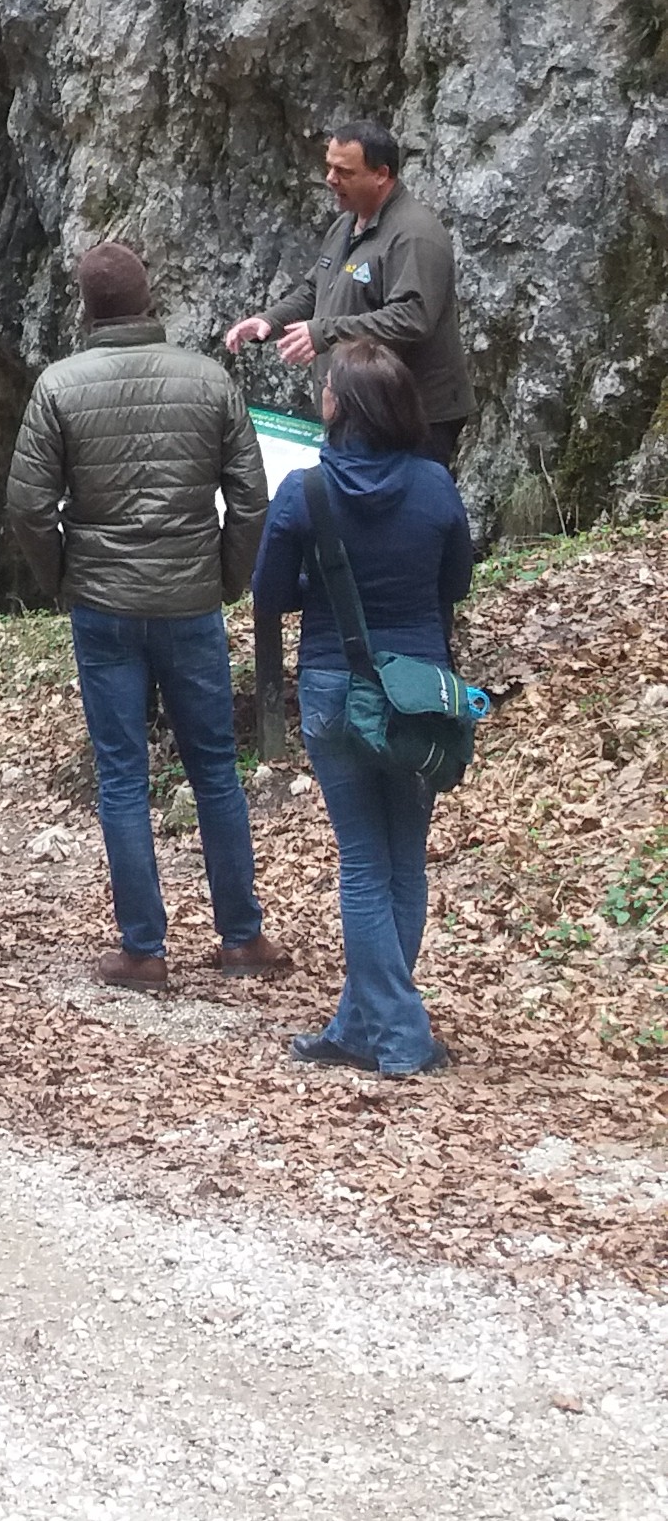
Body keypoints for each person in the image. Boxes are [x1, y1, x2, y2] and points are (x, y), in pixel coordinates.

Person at [7, 241, 285, 992]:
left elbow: (28, 506)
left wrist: (64, 576)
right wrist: (225, 577)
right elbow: (252, 498)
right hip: (190, 600)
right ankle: (241, 937)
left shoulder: (59, 386)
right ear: (149, 299)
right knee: (215, 770)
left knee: (123, 775)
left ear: (86, 309)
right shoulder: (209, 379)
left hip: (103, 604)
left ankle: (143, 948)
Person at [251, 335, 473, 1077]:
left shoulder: (305, 492)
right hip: (419, 693)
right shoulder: (435, 484)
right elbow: (456, 582)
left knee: (363, 864)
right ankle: (360, 1025)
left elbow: (269, 594)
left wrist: (325, 581)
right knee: (405, 860)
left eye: (327, 387)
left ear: (341, 407)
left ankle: (397, 1036)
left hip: (334, 685)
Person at [226, 119, 472, 468]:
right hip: (359, 411)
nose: (330, 179)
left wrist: (323, 332)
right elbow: (316, 288)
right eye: (329, 167)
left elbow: (413, 318)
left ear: (381, 174)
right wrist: (270, 321)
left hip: (411, 419)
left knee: (397, 503)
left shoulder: (414, 235)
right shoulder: (346, 224)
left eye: (344, 171)